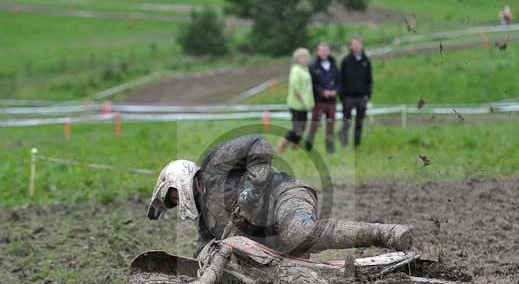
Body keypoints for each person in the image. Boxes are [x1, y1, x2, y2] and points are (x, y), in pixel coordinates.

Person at [148, 135, 413, 256]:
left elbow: (257, 144)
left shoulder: (215, 164)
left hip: (285, 195)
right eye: (171, 203)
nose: (175, 203)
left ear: (178, 180)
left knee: (298, 233)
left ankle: (386, 233)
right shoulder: (206, 224)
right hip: (272, 241)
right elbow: (203, 251)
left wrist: (251, 189)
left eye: (172, 197)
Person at [275, 48, 314, 154]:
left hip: (304, 105)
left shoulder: (304, 69)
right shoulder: (296, 70)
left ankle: (295, 147)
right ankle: (280, 146)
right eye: (303, 57)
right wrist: (303, 101)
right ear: (297, 59)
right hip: (297, 104)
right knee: (296, 128)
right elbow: (295, 88)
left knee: (302, 127)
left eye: (306, 56)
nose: (305, 59)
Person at [305, 42, 340, 154]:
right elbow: (311, 84)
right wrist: (322, 92)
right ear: (318, 52)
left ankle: (330, 149)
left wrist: (335, 91)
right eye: (322, 50)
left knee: (330, 124)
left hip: (332, 101)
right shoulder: (312, 66)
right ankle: (308, 146)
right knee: (314, 124)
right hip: (319, 101)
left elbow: (339, 81)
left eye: (326, 50)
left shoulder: (334, 65)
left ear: (329, 51)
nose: (324, 52)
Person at [339, 35, 372, 148]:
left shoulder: (366, 61)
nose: (356, 46)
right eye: (353, 44)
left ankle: (356, 145)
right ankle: (344, 142)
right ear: (350, 46)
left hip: (362, 97)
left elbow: (369, 80)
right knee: (347, 121)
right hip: (348, 97)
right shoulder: (346, 61)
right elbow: (341, 79)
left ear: (361, 45)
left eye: (357, 44)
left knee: (359, 122)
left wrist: (368, 95)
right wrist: (342, 96)